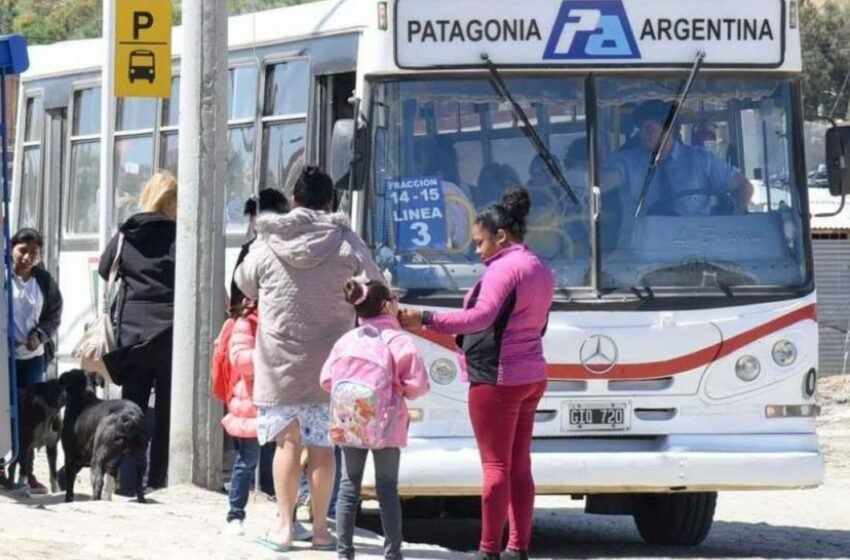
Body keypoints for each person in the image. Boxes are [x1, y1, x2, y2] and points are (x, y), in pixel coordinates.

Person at [400, 188, 555, 560]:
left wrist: (425, 318)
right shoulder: (540, 267)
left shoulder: (504, 269)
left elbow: (480, 318)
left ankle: (488, 550)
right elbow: (540, 324)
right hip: (531, 375)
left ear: (501, 236)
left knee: (496, 466)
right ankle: (518, 546)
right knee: (520, 464)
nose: (477, 251)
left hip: (497, 377)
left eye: (480, 242)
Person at [234, 166, 382, 553]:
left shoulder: (269, 239)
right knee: (323, 447)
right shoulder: (346, 239)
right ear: (331, 202)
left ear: (294, 200)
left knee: (286, 443)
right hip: (332, 364)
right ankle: (320, 532)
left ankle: (285, 529)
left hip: (279, 361)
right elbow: (375, 284)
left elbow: (244, 282)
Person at [320, 277, 430, 560]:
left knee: (348, 488)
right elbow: (417, 386)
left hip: (350, 423)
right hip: (387, 426)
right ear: (386, 305)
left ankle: (345, 553)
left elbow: (326, 380)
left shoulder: (346, 340)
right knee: (387, 490)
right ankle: (392, 553)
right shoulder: (399, 341)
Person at [99, 171, 177, 495]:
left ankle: (127, 482)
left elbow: (105, 268)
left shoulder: (126, 234)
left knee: (132, 409)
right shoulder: (180, 234)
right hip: (171, 334)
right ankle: (159, 480)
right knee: (169, 413)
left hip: (132, 335)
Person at [602, 100, 754, 243]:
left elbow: (744, 187)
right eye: (640, 128)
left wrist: (732, 222)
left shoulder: (701, 160)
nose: (641, 134)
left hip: (694, 248)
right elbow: (603, 182)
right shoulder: (626, 162)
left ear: (668, 130)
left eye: (649, 129)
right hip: (638, 249)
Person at [0, 228, 63, 493]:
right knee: (3, 412)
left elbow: (54, 314)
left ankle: (26, 471)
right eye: (22, 251)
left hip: (32, 358)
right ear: (11, 248)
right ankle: (1, 468)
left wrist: (40, 334)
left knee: (30, 416)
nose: (27, 257)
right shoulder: (4, 275)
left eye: (33, 253)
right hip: (4, 357)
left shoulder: (43, 281)